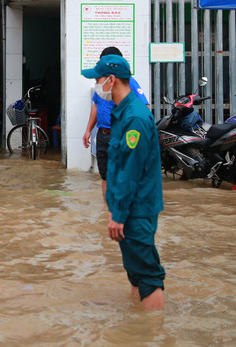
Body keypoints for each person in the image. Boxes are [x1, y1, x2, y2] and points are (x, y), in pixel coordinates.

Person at [82, 54, 165, 310]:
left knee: (147, 275)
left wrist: (118, 215)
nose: (96, 85)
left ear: (111, 80)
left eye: (97, 79)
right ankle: (136, 325)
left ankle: (154, 332)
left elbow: (131, 172)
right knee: (135, 270)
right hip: (128, 209)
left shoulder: (135, 119)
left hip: (136, 210)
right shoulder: (123, 113)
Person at [82, 46, 149, 203]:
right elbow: (96, 106)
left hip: (120, 136)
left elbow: (144, 108)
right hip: (103, 135)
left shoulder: (129, 83)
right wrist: (88, 130)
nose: (97, 81)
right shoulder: (102, 87)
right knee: (106, 177)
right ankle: (109, 213)